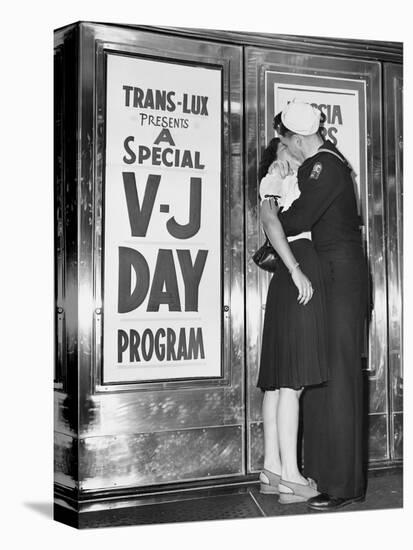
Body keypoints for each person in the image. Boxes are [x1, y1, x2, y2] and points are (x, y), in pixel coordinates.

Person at [273, 100, 368, 510]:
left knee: (340, 377)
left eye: (285, 143)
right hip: (327, 277)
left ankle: (344, 485)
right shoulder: (325, 164)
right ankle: (322, 474)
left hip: (341, 281)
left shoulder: (324, 165)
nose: (285, 151)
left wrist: (269, 200)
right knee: (321, 375)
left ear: (298, 138)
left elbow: (297, 218)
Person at [256, 135, 328, 504]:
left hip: (287, 276)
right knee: (292, 383)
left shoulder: (284, 178)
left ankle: (272, 468)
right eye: (287, 147)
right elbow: (269, 221)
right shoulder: (278, 176)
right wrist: (297, 269)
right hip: (295, 266)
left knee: (279, 381)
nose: (294, 152)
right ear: (277, 153)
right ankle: (291, 477)